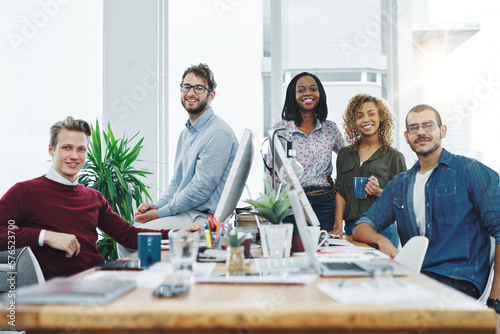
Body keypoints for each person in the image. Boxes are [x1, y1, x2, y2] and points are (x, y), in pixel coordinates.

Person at [0, 116, 200, 280]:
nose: (74, 156)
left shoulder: (93, 197)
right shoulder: (26, 191)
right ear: (51, 149)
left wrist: (178, 233)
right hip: (66, 292)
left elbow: (128, 235)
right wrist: (46, 236)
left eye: (81, 149)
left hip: (99, 278)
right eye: (66, 147)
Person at [352, 104, 500, 300]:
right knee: (358, 294)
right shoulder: (399, 184)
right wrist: (383, 241)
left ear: (442, 131)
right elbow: (361, 227)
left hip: (458, 279)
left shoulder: (469, 171)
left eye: (428, 125)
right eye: (414, 128)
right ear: (406, 136)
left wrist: (496, 299)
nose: (421, 132)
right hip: (416, 275)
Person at [133, 63, 238, 230]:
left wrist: (160, 214)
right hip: (185, 212)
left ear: (211, 95)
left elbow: (200, 189)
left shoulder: (218, 133)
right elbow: (177, 181)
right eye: (187, 87)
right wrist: (157, 206)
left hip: (202, 218)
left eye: (198, 88)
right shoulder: (186, 133)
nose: (191, 93)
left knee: (132, 236)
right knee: (131, 232)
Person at [267, 72, 346, 232]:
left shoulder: (330, 128)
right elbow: (271, 172)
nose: (308, 93)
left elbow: (347, 159)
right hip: (291, 202)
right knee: (294, 251)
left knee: (325, 251)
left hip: (325, 201)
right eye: (301, 90)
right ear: (292, 95)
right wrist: (269, 209)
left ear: (320, 94)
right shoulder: (280, 130)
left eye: (313, 89)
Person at [332, 94, 406, 247]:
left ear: (382, 116)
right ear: (354, 121)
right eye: (360, 116)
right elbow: (341, 191)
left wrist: (379, 191)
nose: (366, 119)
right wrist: (338, 227)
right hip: (351, 228)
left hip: (382, 230)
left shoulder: (394, 157)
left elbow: (402, 200)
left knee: (384, 271)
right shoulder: (345, 154)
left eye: (371, 114)